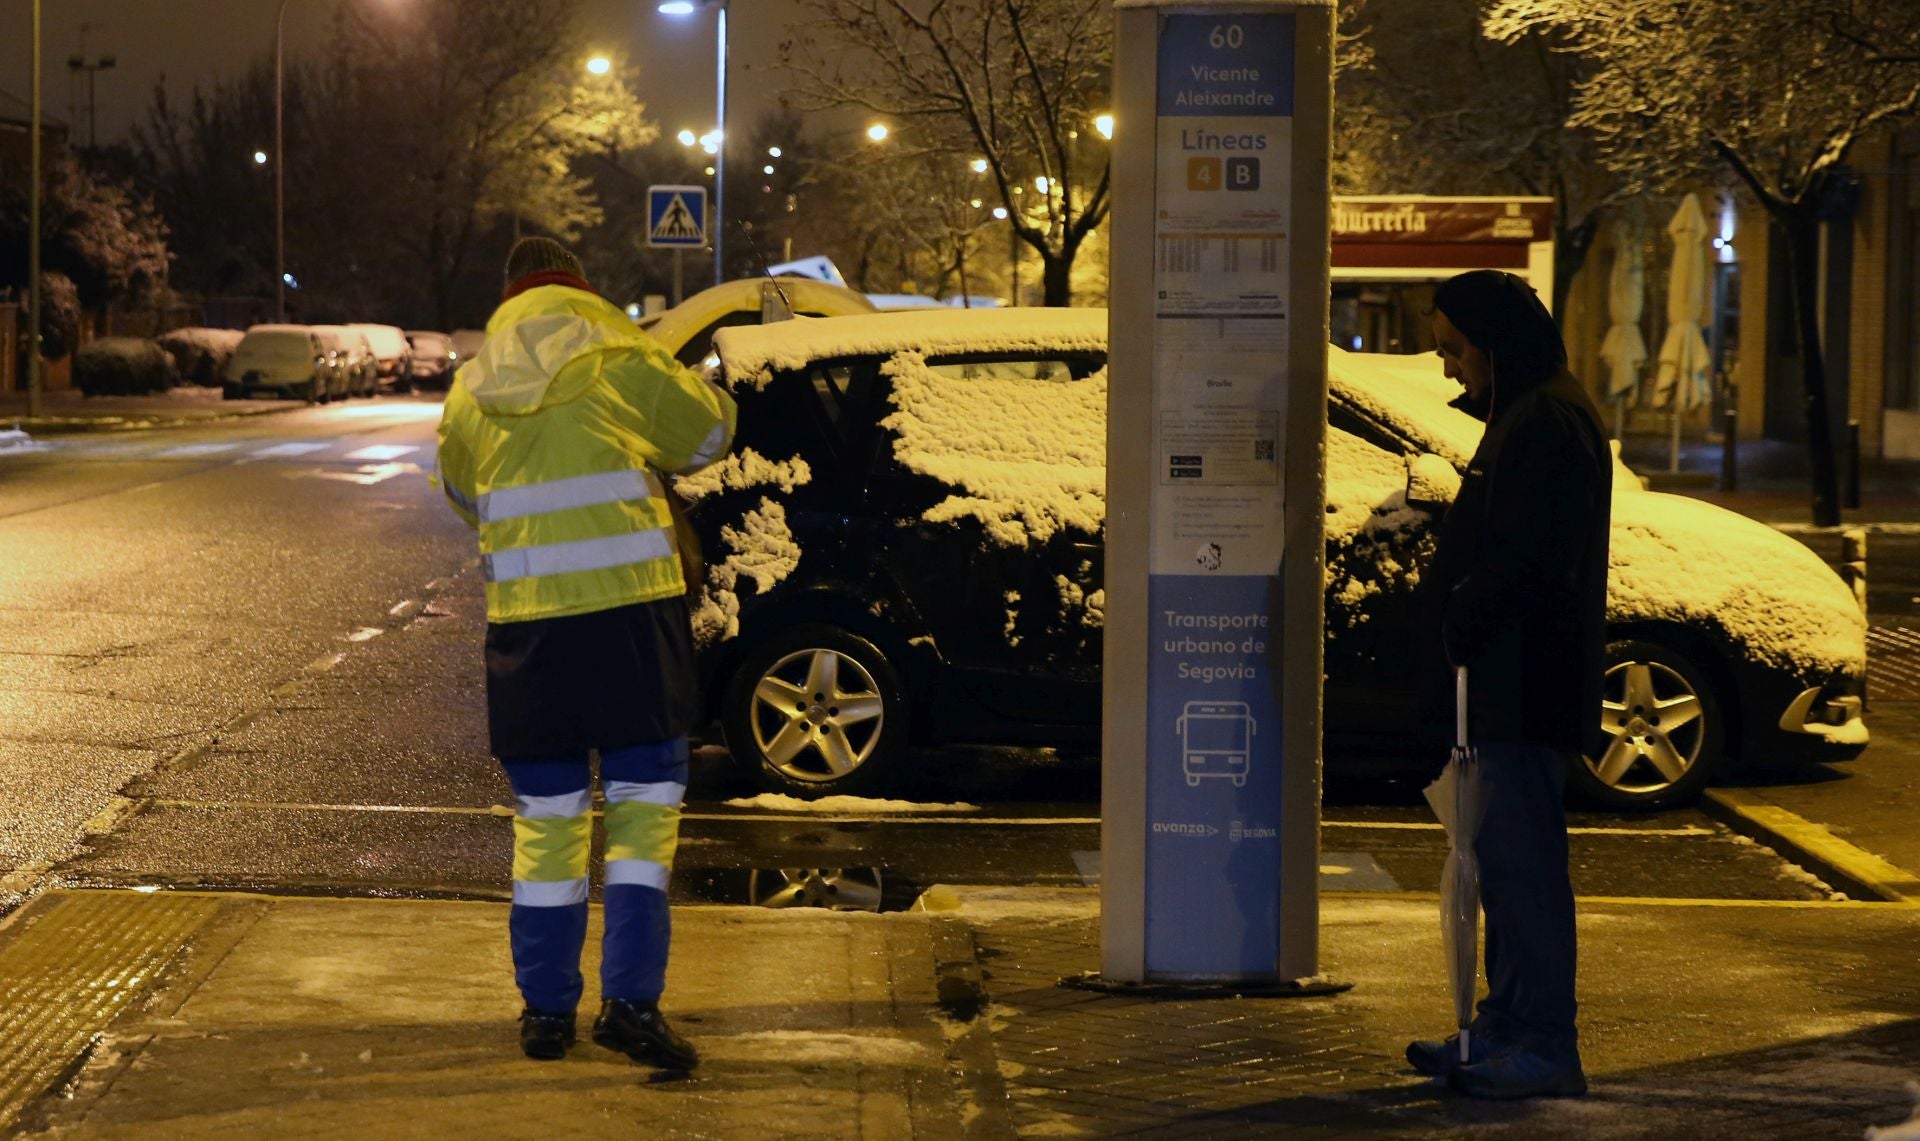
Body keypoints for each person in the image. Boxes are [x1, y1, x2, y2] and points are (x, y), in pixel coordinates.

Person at [436, 236, 736, 1067]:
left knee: (548, 826)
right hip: (631, 625)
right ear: (581, 284)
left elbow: (465, 495)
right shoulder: (617, 352)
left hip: (528, 630)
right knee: (642, 816)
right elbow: (707, 437)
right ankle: (631, 1005)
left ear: (510, 291)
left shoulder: (470, 386)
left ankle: (545, 1013)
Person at [1404, 270, 1611, 1100]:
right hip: (1502, 681)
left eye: (1455, 348)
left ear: (1494, 340)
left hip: (1521, 684)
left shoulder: (1546, 421)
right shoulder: (1528, 411)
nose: (1448, 366)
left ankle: (1544, 1042)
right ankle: (1504, 1026)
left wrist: (1463, 615)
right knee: (1496, 864)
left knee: (1522, 870)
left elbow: (1530, 556)